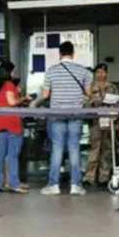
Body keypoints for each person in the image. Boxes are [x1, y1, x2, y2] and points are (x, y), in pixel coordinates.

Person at [40, 41, 92, 196]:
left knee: (57, 148)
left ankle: (53, 185)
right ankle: (76, 185)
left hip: (56, 115)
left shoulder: (51, 71)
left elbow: (45, 95)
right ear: (73, 53)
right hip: (75, 114)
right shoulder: (84, 72)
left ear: (60, 54)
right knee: (74, 148)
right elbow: (89, 94)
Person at [0, 61, 29, 194]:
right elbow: (12, 102)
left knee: (0, 155)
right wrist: (24, 98)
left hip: (0, 123)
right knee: (12, 155)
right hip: (12, 123)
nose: (14, 74)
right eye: (13, 71)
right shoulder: (8, 84)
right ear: (8, 72)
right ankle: (14, 183)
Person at [83, 63, 119, 188]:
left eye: (103, 72)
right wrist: (92, 101)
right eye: (98, 72)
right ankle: (89, 177)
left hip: (109, 122)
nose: (100, 74)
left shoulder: (112, 87)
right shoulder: (90, 87)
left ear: (106, 73)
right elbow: (85, 104)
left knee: (107, 150)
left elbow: (117, 104)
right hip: (95, 122)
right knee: (94, 149)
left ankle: (104, 177)